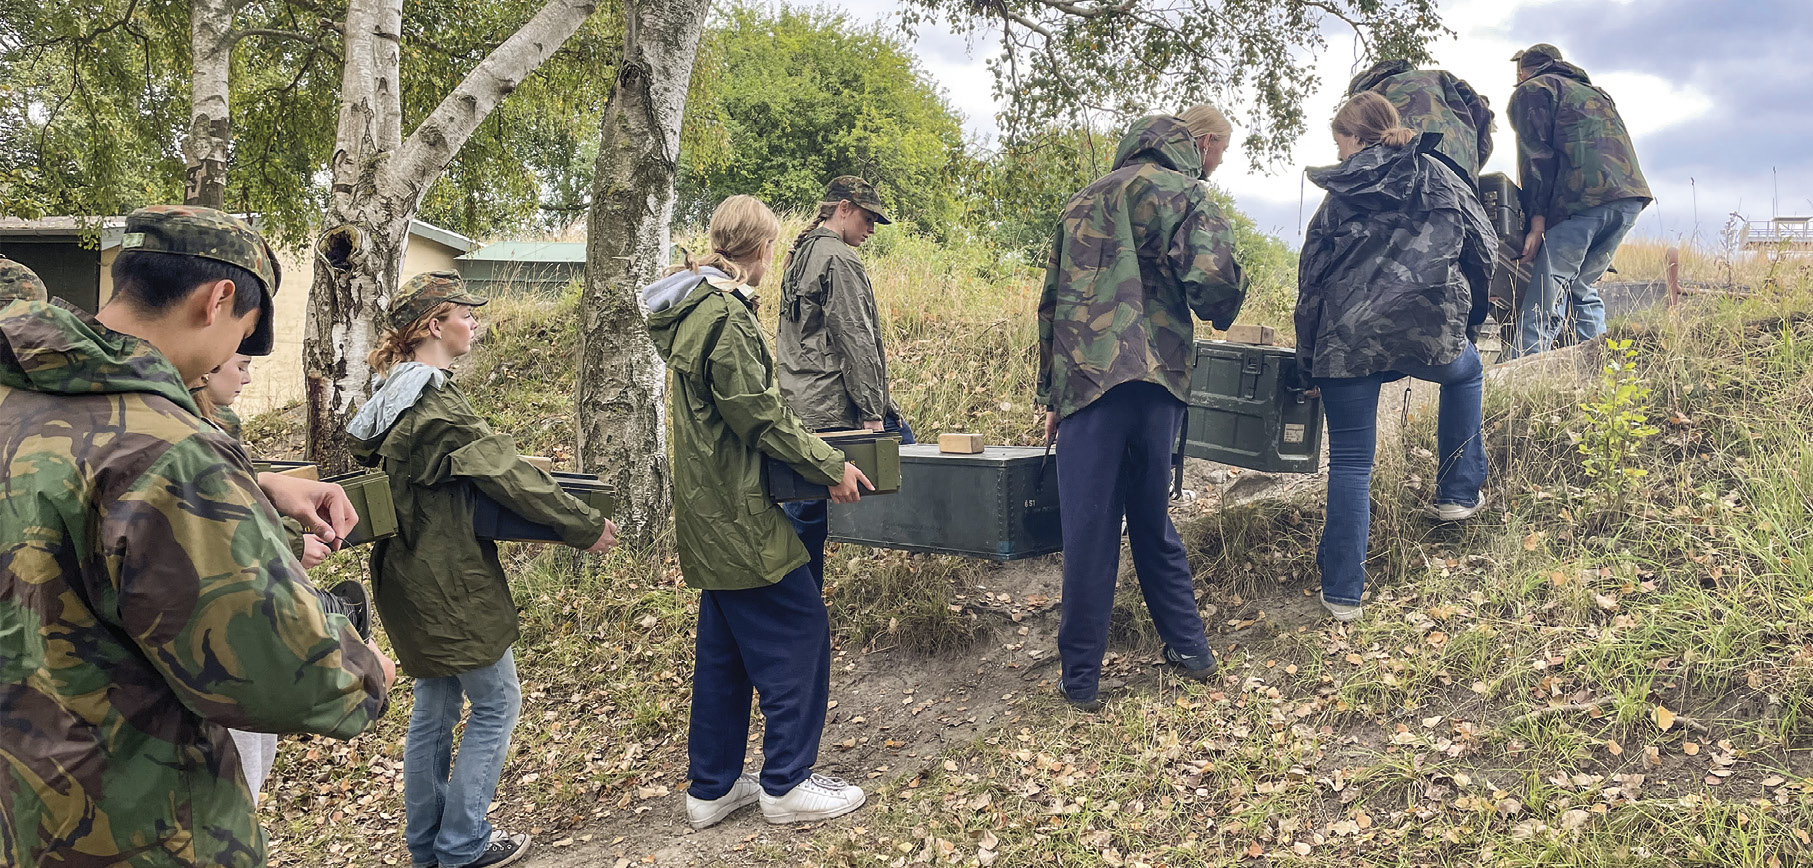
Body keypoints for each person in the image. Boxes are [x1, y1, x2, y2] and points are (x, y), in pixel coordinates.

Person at [0, 204, 394, 868]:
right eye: (243, 333)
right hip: (134, 827)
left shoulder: (22, 403)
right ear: (218, 300)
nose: (233, 355)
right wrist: (361, 674)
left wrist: (257, 486)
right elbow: (278, 672)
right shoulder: (169, 452)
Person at [348, 270, 617, 868]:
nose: (475, 323)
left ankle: (427, 846)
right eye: (463, 314)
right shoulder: (437, 402)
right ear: (432, 326)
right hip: (449, 578)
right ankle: (464, 843)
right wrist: (583, 524)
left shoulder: (390, 398)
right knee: (497, 703)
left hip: (404, 575)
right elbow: (507, 475)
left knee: (436, 706)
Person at [644, 195, 875, 830]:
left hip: (705, 508)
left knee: (725, 653)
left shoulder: (690, 309)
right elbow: (759, 415)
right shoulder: (724, 314)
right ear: (761, 249)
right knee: (801, 632)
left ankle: (712, 787)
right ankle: (787, 784)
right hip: (738, 514)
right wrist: (830, 466)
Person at [1039, 110, 1247, 712]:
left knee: (1088, 535)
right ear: (1192, 145)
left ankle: (1080, 682)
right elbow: (1214, 288)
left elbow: (1051, 306)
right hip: (1157, 384)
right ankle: (1190, 649)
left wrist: (1051, 397)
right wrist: (1231, 294)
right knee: (1152, 521)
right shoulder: (1187, 195)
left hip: (1087, 389)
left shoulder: (1081, 203)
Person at [1296, 93, 1498, 622]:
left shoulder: (1337, 195)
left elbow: (1312, 280)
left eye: (1340, 139)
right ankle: (1456, 493)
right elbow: (1484, 249)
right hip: (1428, 329)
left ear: (1359, 135)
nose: (1338, 152)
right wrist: (1467, 322)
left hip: (1347, 340)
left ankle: (1342, 596)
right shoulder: (1438, 176)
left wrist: (1308, 361)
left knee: (1351, 463)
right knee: (1467, 373)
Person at [192, 352, 373, 803]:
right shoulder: (177, 436)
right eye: (240, 362)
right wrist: (360, 671)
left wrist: (267, 483)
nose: (249, 379)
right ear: (205, 363)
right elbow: (215, 538)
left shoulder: (201, 428)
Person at [776, 175, 913, 586]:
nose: (871, 229)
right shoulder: (838, 258)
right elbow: (856, 338)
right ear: (844, 209)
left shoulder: (800, 253)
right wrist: (872, 414)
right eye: (868, 218)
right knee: (912, 453)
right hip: (835, 407)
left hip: (801, 403)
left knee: (804, 514)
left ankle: (798, 605)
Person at [1504, 43, 1652, 359]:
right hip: (1628, 198)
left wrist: (1537, 219)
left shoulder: (1534, 90)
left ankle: (1524, 377)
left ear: (1523, 71)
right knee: (1581, 288)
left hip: (1581, 201)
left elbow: (1536, 159)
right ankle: (1603, 371)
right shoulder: (1594, 93)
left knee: (1547, 292)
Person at [1345, 59, 1495, 186]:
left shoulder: (1367, 103)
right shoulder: (1440, 77)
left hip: (1402, 178)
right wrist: (1470, 166)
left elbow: (1357, 157)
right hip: (1458, 174)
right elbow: (1482, 112)